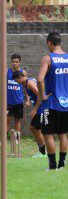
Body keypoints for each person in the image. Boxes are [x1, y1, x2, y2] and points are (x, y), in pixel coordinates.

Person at [37, 31, 68, 170]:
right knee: (63, 134)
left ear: (49, 42)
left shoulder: (48, 58)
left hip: (51, 103)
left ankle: (52, 166)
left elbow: (39, 79)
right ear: (60, 42)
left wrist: (42, 95)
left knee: (48, 134)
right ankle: (62, 164)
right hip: (66, 104)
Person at [12, 71, 46, 158]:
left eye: (17, 81)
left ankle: (43, 152)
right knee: (33, 128)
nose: (17, 83)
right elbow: (27, 92)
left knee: (36, 129)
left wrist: (34, 110)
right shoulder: (24, 84)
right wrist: (28, 101)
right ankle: (41, 149)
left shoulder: (30, 83)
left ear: (20, 77)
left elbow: (40, 95)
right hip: (39, 108)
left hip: (42, 108)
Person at [7, 54, 29, 134]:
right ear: (11, 62)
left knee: (17, 120)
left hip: (19, 101)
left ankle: (16, 139)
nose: (14, 63)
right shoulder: (7, 71)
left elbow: (26, 87)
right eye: (13, 61)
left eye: (16, 62)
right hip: (8, 102)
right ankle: (4, 140)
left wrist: (27, 99)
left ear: (19, 62)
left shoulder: (23, 72)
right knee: (7, 120)